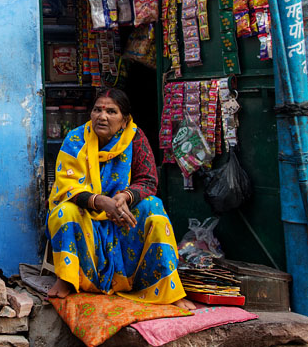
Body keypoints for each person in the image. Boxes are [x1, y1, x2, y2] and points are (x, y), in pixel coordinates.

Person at [45, 88, 197, 311]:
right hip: (87, 215)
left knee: (154, 206)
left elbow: (147, 180)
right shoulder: (76, 139)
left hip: (124, 216)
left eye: (111, 111)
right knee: (63, 211)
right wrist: (100, 202)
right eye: (97, 110)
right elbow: (66, 186)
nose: (102, 116)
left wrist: (124, 197)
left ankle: (166, 288)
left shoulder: (135, 138)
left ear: (124, 120)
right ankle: (68, 279)